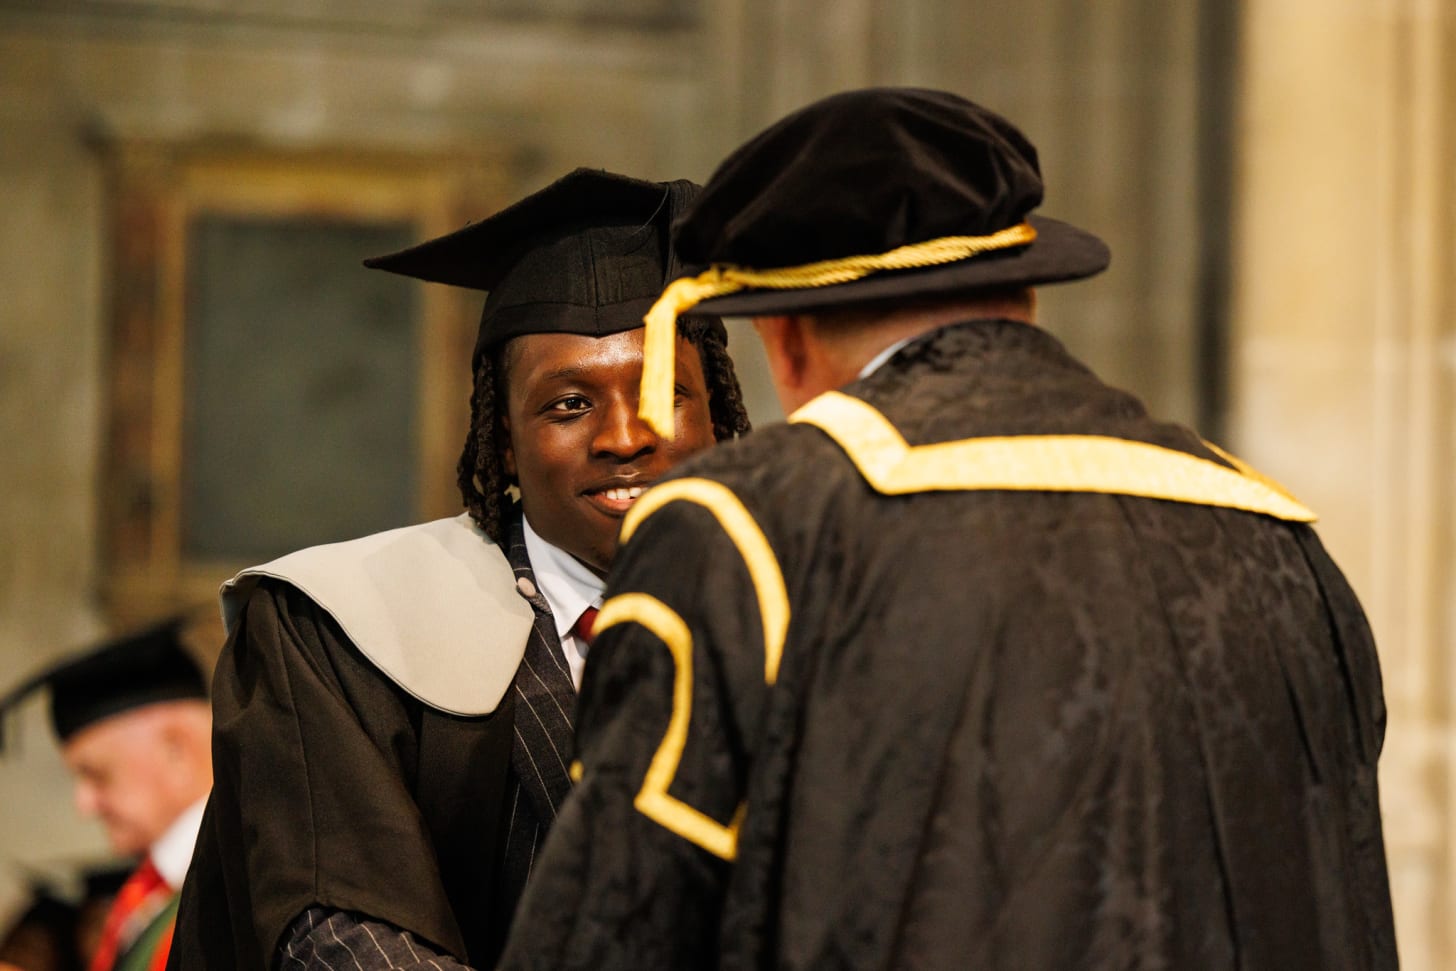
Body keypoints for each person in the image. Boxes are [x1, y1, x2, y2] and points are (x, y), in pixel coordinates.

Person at [496, 89, 1399, 970]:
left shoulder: (747, 532)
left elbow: (616, 925)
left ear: (787, 336)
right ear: (1025, 298)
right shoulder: (1273, 530)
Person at [166, 168, 751, 971]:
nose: (625, 436)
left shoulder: (800, 622)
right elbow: (338, 930)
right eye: (569, 404)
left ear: (716, 414)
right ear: (503, 439)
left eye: (664, 393)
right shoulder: (341, 628)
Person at [0, 617, 213, 971]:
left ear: (176, 749)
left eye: (97, 775)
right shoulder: (154, 891)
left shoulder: (240, 887)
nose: (83, 804)